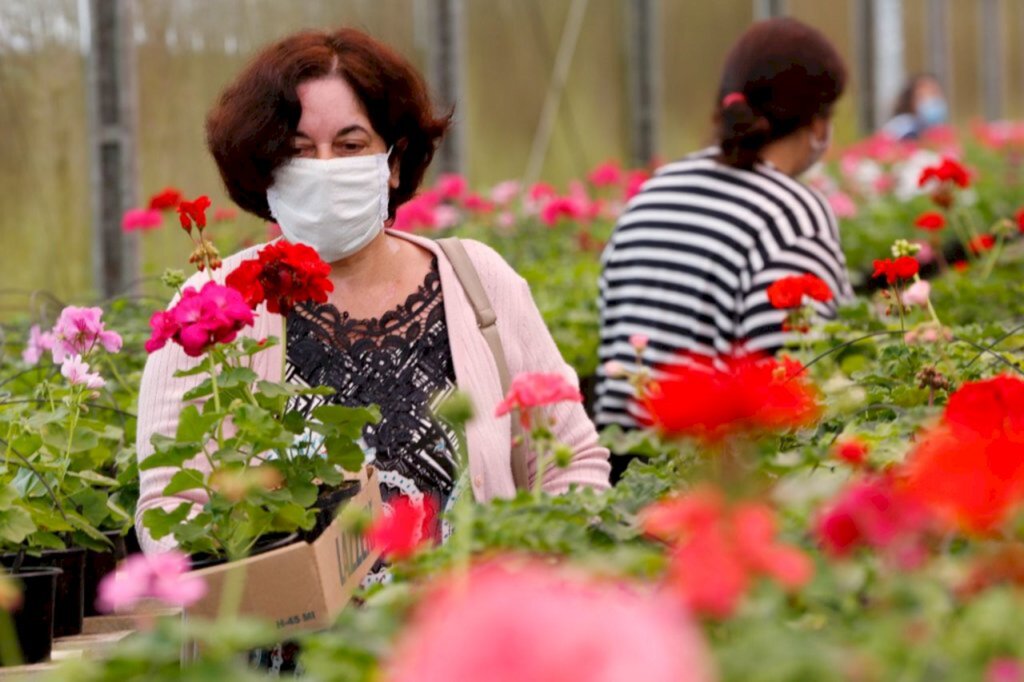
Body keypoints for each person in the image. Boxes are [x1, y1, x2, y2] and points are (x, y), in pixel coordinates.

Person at [135, 28, 610, 554]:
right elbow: (170, 510)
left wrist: (546, 580)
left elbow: (572, 460)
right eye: (297, 152)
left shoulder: (479, 282)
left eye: (350, 144)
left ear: (394, 161)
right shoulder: (214, 305)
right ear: (267, 171)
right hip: (296, 636)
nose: (325, 168)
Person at [594, 18, 854, 452]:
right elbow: (793, 385)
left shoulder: (654, 191)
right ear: (818, 124)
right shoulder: (790, 214)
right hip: (712, 478)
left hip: (614, 477)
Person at [881, 73, 949, 141]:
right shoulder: (901, 129)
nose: (930, 100)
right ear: (910, 101)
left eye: (934, 93)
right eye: (922, 96)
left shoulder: (944, 132)